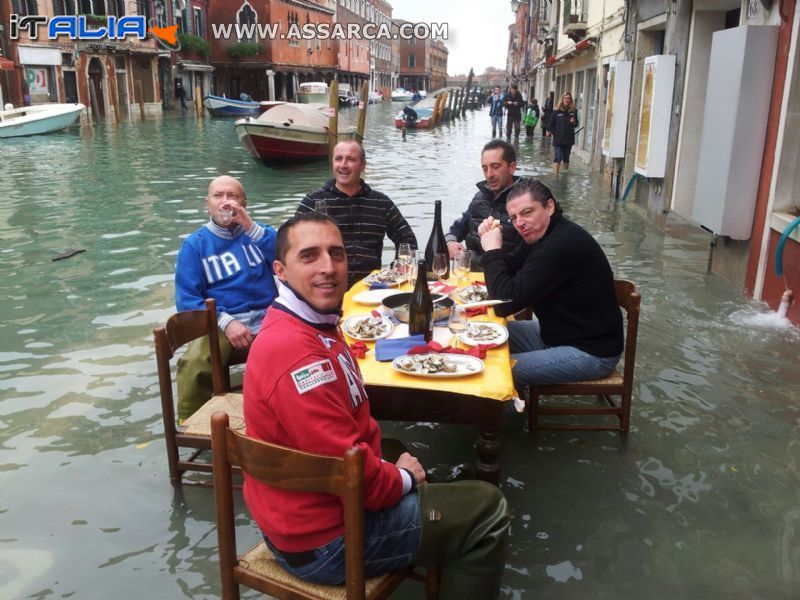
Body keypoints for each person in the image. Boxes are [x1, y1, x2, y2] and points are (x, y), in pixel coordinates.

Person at [243, 212, 510, 598]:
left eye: (336, 254)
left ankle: (435, 532)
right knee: (489, 508)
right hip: (324, 542)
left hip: (298, 513)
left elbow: (344, 449)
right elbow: (353, 473)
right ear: (281, 271)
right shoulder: (298, 359)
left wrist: (394, 467)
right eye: (310, 256)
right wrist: (402, 479)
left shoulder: (309, 324)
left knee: (401, 450)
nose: (328, 268)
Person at [478, 178, 623, 389]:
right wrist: (493, 242)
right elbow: (508, 268)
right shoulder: (541, 235)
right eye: (514, 218)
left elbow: (504, 304)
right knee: (479, 337)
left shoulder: (559, 245)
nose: (519, 223)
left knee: (498, 372)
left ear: (549, 206)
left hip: (592, 351)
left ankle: (505, 419)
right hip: (557, 332)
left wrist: (492, 251)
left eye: (527, 212)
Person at [174, 175, 278, 420]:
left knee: (300, 346)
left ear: (244, 203)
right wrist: (226, 322)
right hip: (222, 320)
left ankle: (287, 410)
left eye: (232, 196)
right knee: (196, 361)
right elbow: (187, 300)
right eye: (218, 196)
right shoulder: (195, 246)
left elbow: (287, 260)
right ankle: (193, 421)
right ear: (207, 203)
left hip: (269, 314)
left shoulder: (261, 233)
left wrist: (250, 227)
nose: (225, 202)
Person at [296, 140, 417, 287]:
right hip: (325, 285)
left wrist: (398, 269)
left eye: (351, 159)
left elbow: (406, 238)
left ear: (363, 165)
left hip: (370, 286)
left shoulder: (381, 202)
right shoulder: (313, 200)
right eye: (338, 159)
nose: (343, 165)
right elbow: (293, 242)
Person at [445, 139, 522, 270]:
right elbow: (458, 227)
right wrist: (450, 242)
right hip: (471, 276)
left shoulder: (525, 200)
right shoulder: (479, 198)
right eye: (485, 169)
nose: (489, 174)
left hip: (505, 278)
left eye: (495, 167)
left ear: (512, 167)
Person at [547, 92, 579, 174]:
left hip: (569, 139)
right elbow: (550, 125)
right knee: (558, 157)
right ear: (562, 99)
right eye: (565, 98)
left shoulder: (573, 111)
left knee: (566, 158)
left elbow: (576, 125)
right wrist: (556, 134)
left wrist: (574, 121)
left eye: (568, 98)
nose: (567, 100)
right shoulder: (556, 111)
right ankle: (555, 175)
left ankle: (565, 175)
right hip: (558, 139)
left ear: (570, 100)